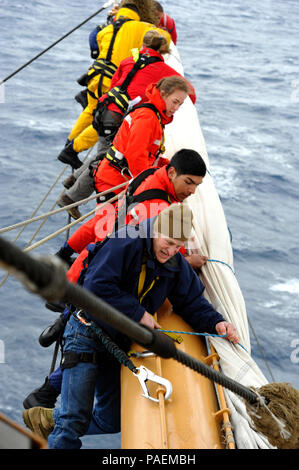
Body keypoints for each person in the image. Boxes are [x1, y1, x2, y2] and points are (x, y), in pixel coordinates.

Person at [23, 203, 240, 448]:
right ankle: (63, 427)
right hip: (86, 331)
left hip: (117, 342)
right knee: (74, 420)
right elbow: (96, 285)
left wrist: (217, 323)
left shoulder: (175, 263)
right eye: (167, 242)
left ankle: (49, 420)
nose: (170, 251)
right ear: (155, 230)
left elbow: (190, 301)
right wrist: (138, 314)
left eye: (177, 246)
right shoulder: (124, 242)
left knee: (110, 420)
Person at [22, 149, 209, 410]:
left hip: (87, 269)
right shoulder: (156, 210)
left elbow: (102, 224)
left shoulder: (147, 175)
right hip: (101, 284)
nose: (192, 191)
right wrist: (191, 262)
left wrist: (67, 251)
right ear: (172, 173)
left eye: (197, 185)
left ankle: (58, 338)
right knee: (92, 343)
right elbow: (159, 257)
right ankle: (48, 392)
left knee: (86, 333)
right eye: (189, 183)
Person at [58, 30, 196, 219]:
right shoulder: (159, 78)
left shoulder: (130, 59)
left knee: (108, 154)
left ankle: (73, 182)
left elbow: (115, 82)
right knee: (108, 158)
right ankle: (71, 196)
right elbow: (190, 89)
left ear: (143, 45)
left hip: (106, 110)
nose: (177, 107)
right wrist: (147, 182)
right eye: (175, 102)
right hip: (117, 119)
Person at [57, 2, 171, 172]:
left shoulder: (108, 28)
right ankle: (73, 149)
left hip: (95, 76)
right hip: (110, 79)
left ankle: (70, 143)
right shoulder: (139, 27)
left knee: (90, 110)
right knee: (103, 121)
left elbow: (94, 38)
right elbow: (163, 37)